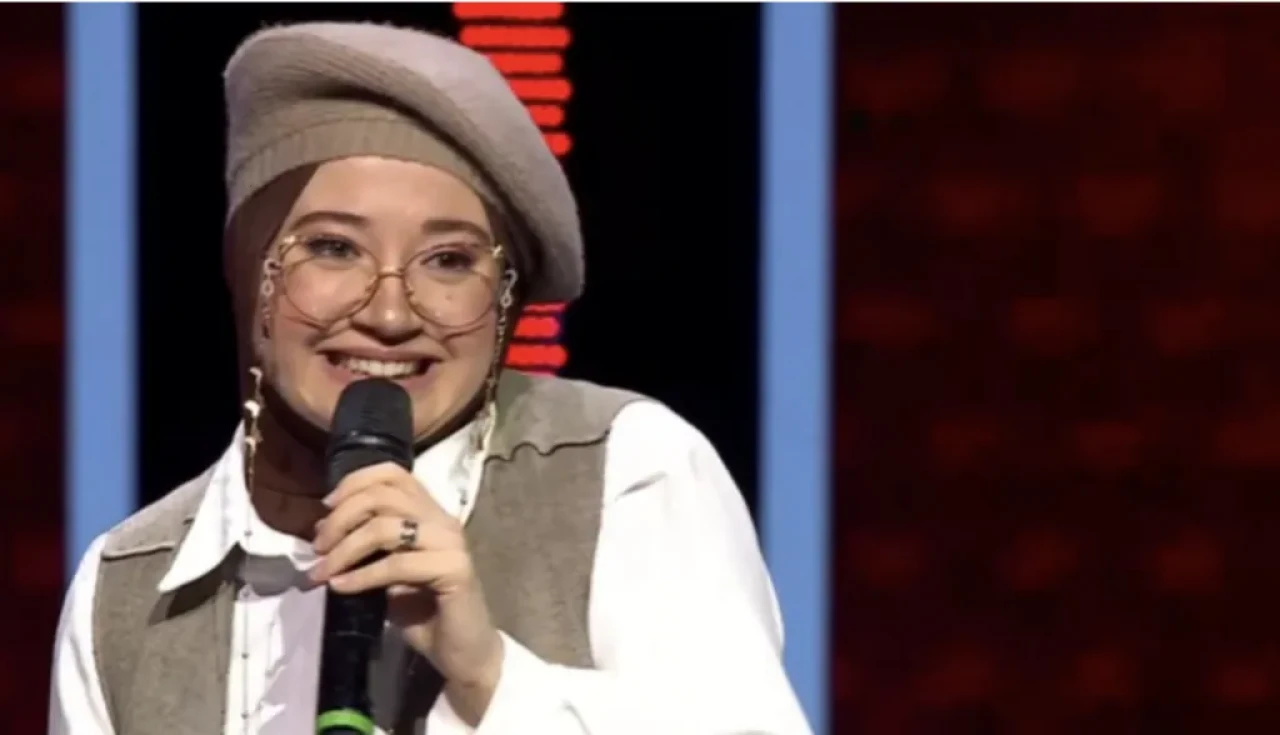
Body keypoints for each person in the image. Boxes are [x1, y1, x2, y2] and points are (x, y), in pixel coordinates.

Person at [48, 21, 811, 735]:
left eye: (448, 260)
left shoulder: (623, 469)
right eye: (333, 248)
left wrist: (488, 674)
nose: (389, 313)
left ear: (505, 298)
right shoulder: (123, 593)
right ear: (249, 270)